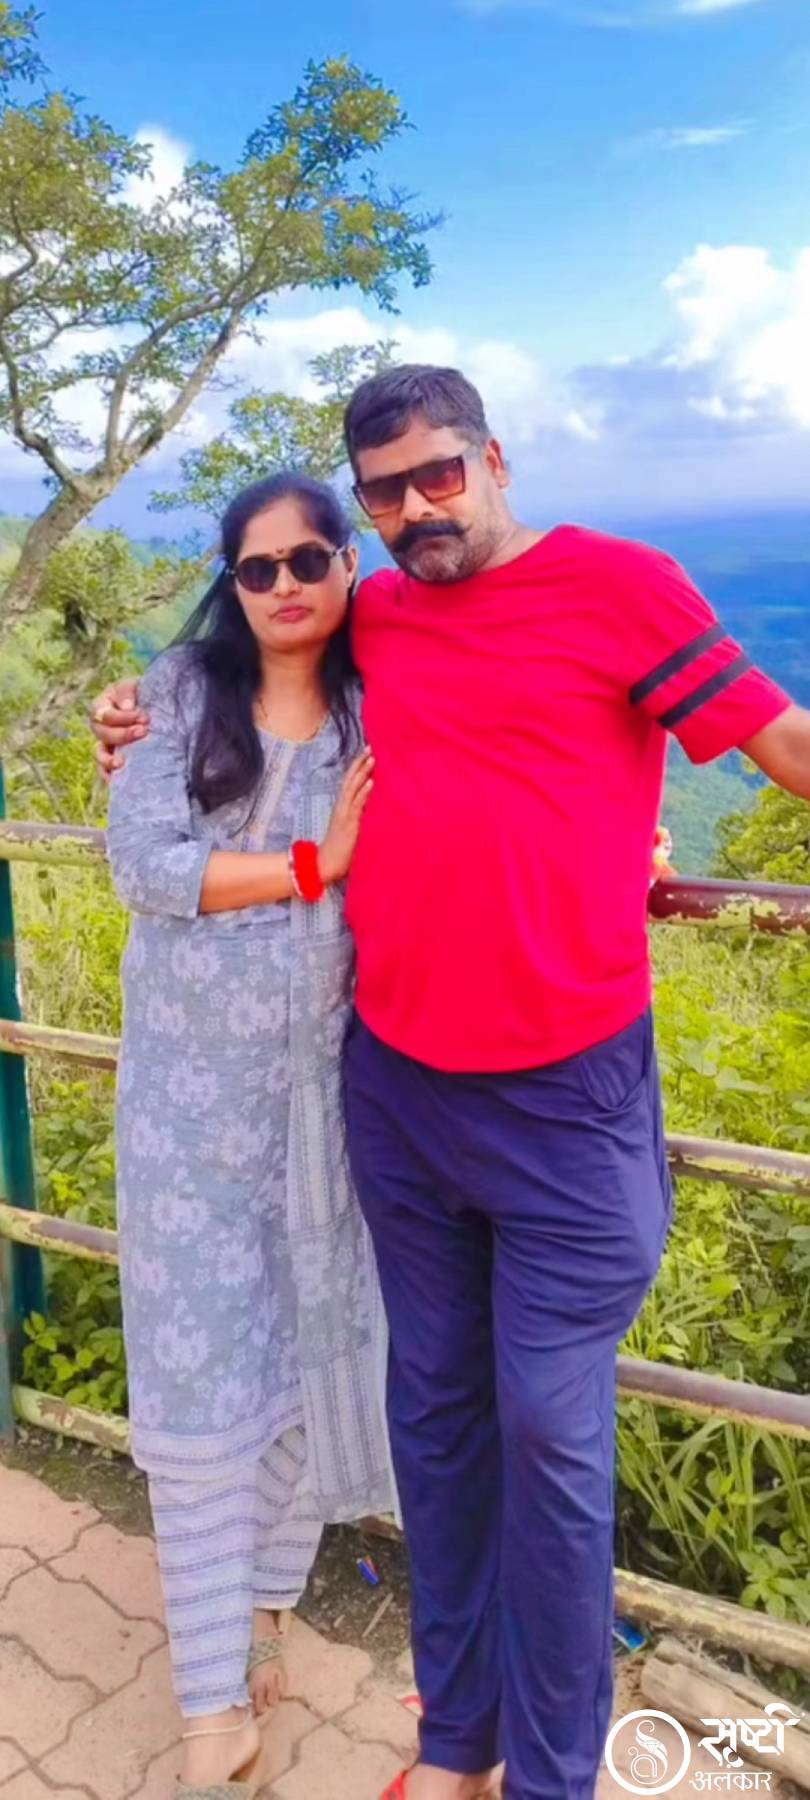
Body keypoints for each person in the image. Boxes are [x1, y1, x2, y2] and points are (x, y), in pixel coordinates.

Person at [92, 365, 810, 1800]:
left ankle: (553, 1773)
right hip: (399, 1091)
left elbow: (777, 744)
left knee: (547, 1438)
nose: (417, 507)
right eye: (385, 491)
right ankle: (454, 1744)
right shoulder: (377, 615)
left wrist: (627, 850)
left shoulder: (620, 586)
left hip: (562, 1099)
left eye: (439, 473)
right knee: (433, 1424)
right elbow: (251, 658)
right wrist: (134, 710)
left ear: (494, 459)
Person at [102, 471, 392, 1798]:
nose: (283, 586)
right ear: (232, 582)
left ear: (346, 566)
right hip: (188, 1118)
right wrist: (311, 864)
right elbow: (144, 868)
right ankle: (208, 1697)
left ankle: (266, 1601)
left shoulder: (378, 704)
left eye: (307, 560)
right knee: (201, 1383)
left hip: (330, 1106)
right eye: (256, 567)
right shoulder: (176, 694)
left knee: (307, 1357)